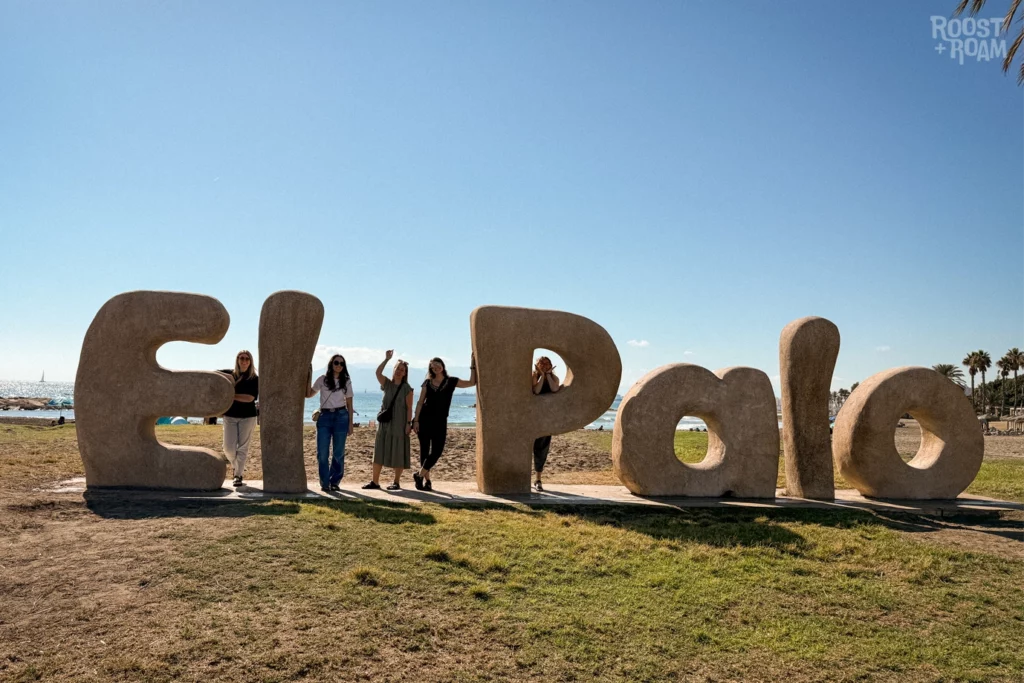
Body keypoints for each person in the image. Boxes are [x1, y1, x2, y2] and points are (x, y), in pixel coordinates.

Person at [411, 355, 476, 491]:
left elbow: (472, 382)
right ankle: (425, 481)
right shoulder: (427, 383)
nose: (436, 367)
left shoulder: (451, 381)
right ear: (431, 369)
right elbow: (420, 402)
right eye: (433, 367)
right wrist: (415, 420)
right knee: (424, 452)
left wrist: (472, 364)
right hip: (424, 420)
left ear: (442, 365)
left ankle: (419, 475)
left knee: (437, 451)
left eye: (437, 364)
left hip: (440, 421)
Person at [363, 350, 413, 491]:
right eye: (397, 369)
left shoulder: (407, 388)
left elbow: (409, 408)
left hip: (399, 424)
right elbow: (377, 373)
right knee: (379, 451)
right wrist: (386, 359)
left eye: (402, 370)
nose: (399, 371)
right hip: (384, 424)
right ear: (394, 370)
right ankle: (375, 482)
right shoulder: (387, 384)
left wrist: (408, 424)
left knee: (398, 451)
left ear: (405, 373)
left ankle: (396, 482)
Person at [307, 354, 354, 492]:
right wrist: (307, 377)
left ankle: (335, 481)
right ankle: (325, 482)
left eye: (341, 363)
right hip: (325, 416)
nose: (339, 365)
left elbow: (350, 403)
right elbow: (309, 394)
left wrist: (351, 423)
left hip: (341, 416)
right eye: (336, 362)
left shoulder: (346, 381)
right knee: (322, 452)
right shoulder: (322, 379)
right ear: (331, 364)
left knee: (338, 452)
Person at [217, 351, 259, 487]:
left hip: (248, 416)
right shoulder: (231, 374)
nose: (244, 361)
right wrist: (228, 377)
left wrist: (231, 395)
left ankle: (238, 475)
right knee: (228, 448)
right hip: (230, 415)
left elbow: (250, 398)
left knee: (242, 447)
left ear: (251, 361)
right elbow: (213, 374)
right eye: (241, 358)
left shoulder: (254, 378)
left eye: (247, 358)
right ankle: (236, 467)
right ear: (237, 359)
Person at [531, 356, 561, 492]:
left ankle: (538, 479)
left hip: (545, 419)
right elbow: (536, 391)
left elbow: (555, 389)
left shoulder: (555, 378)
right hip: (531, 417)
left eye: (546, 363)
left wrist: (547, 375)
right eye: (540, 363)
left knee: (541, 449)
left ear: (551, 364)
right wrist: (541, 376)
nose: (543, 365)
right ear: (536, 365)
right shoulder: (533, 376)